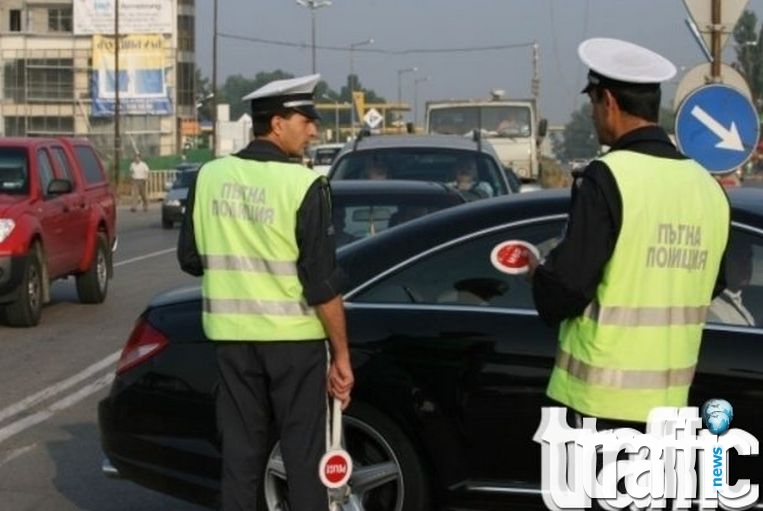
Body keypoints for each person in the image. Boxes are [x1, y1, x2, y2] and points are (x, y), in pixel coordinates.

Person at [527, 37, 730, 433]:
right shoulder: (707, 188)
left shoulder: (608, 177)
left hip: (597, 407)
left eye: (592, 103)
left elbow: (566, 289)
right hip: (671, 408)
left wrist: (538, 272)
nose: (592, 115)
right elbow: (713, 282)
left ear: (608, 101)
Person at [177, 73, 354, 511]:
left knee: (240, 457)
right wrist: (343, 357)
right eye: (305, 120)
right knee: (303, 455)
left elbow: (191, 259)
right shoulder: (303, 185)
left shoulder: (209, 176)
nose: (313, 130)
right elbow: (322, 284)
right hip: (294, 343)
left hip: (233, 341)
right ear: (277, 124)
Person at [708, 237, 756, 326]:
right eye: (738, 258)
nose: (745, 265)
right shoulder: (713, 308)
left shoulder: (737, 302)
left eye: (748, 257)